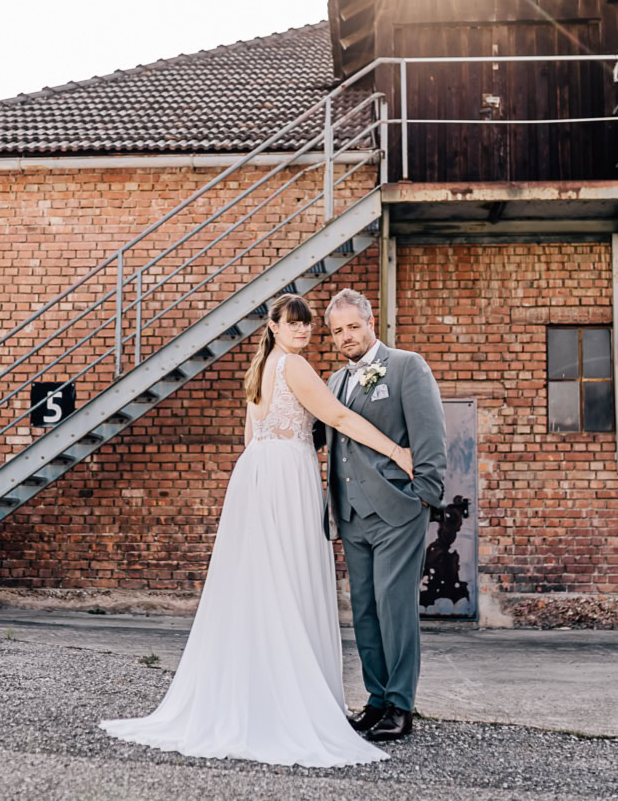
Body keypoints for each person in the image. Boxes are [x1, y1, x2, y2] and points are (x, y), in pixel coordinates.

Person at [100, 293, 410, 767]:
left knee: (260, 584)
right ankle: (291, 702)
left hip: (257, 475)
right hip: (286, 477)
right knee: (288, 580)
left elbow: (250, 438)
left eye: (308, 325)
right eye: (294, 324)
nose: (302, 332)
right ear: (274, 326)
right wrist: (396, 451)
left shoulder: (259, 369)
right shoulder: (295, 366)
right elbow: (341, 418)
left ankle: (257, 693)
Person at [320, 288, 446, 742]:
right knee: (365, 610)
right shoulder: (333, 382)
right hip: (351, 514)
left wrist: (424, 495)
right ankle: (376, 700)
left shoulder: (406, 366)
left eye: (353, 326)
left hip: (397, 509)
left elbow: (430, 434)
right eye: (337, 331)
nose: (346, 337)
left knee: (395, 609)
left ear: (371, 322)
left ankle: (400, 705)